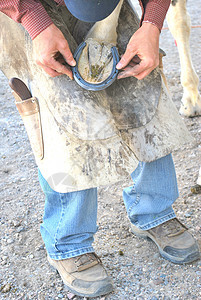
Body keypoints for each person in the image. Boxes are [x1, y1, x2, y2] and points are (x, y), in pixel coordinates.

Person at [0, 0, 200, 298]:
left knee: (141, 90)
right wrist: (35, 22)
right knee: (64, 115)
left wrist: (152, 23)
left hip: (111, 6)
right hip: (31, 5)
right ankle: (69, 242)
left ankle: (154, 210)